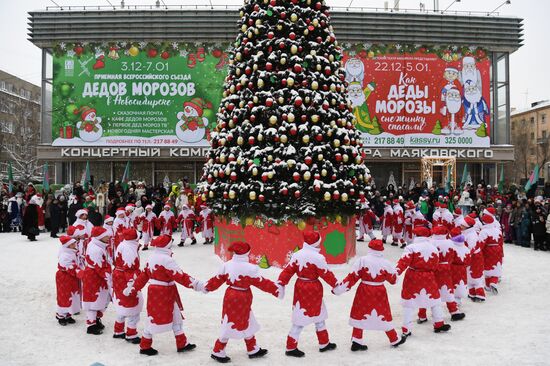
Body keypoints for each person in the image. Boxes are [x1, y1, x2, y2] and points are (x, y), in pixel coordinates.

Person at [123, 234, 202, 356]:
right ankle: (145, 346)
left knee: (176, 317)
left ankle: (182, 343)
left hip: (160, 292)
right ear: (167, 246)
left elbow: (143, 276)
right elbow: (180, 276)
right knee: (153, 321)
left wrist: (133, 288)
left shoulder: (152, 257)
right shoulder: (167, 260)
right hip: (163, 292)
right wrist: (197, 285)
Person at [204, 241, 282, 363]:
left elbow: (217, 279)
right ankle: (218, 350)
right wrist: (276, 290)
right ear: (247, 253)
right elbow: (262, 282)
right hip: (243, 297)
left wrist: (207, 287)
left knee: (243, 320)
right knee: (230, 323)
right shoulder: (250, 268)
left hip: (230, 296)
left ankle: (252, 348)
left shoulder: (227, 265)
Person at [333, 239, 406, 351]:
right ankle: (394, 339)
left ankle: (356, 340)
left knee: (360, 313)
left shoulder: (362, 260)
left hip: (364, 290)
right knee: (383, 314)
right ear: (382, 249)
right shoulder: (386, 263)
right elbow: (393, 280)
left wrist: (339, 289)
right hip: (379, 291)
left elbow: (352, 277)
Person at [278, 231, 339, 358]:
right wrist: (336, 285)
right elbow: (326, 274)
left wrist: (281, 282)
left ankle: (323, 343)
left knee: (303, 317)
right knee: (317, 317)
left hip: (301, 287)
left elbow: (288, 271)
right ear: (316, 243)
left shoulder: (297, 255)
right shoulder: (318, 258)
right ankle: (292, 348)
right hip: (314, 288)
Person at [396, 226, 451, 337]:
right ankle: (439, 323)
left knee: (409, 303)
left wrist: (395, 273)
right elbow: (436, 264)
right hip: (429, 276)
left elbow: (403, 262)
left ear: (416, 235)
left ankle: (406, 328)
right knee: (434, 300)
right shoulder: (433, 248)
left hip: (413, 276)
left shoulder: (411, 247)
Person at [112, 228, 143, 344]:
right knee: (132, 305)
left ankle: (118, 330)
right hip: (126, 279)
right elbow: (129, 268)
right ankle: (131, 333)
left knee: (122, 303)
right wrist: (132, 284)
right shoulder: (129, 249)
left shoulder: (124, 244)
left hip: (119, 276)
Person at [82, 226, 112, 335]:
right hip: (94, 277)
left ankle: (96, 319)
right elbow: (100, 266)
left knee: (101, 299)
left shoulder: (98, 245)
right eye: (106, 236)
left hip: (98, 277)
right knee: (93, 301)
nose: (109, 237)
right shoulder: (95, 249)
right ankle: (91, 325)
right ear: (100, 237)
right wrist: (109, 276)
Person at [55, 235, 81, 326]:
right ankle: (61, 315)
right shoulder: (65, 255)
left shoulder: (72, 252)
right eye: (73, 243)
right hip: (64, 278)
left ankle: (68, 314)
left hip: (71, 278)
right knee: (64, 296)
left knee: (72, 295)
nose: (75, 244)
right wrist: (80, 273)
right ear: (68, 245)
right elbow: (69, 267)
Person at [449, 226, 471, 320]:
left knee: (453, 283)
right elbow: (469, 260)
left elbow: (449, 258)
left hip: (453, 268)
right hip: (462, 268)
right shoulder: (465, 247)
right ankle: (458, 299)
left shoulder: (452, 247)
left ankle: (454, 300)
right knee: (461, 283)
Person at [480, 215, 504, 294]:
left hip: (488, 250)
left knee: (488, 267)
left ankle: (488, 285)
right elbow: (501, 242)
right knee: (496, 267)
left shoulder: (484, 231)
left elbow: (481, 243)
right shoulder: (498, 230)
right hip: (498, 249)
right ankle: (493, 282)